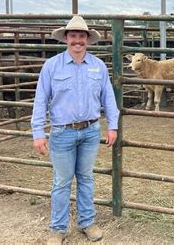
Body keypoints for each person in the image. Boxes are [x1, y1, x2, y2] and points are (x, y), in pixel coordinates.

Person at [31, 15, 120, 245]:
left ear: (87, 39)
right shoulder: (52, 66)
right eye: (73, 36)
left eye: (82, 36)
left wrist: (112, 125)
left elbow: (108, 98)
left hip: (90, 130)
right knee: (62, 181)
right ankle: (58, 228)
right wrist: (38, 132)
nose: (77, 40)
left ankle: (86, 222)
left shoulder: (98, 66)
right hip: (62, 132)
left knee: (86, 178)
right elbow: (40, 100)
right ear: (66, 39)